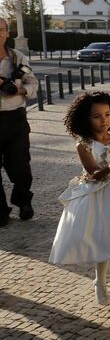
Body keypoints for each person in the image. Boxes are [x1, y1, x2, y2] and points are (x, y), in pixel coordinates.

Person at [50, 92, 110, 305]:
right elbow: (92, 172)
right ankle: (100, 281)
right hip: (97, 196)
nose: (104, 120)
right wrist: (109, 167)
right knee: (103, 240)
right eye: (97, 116)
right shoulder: (84, 145)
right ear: (85, 119)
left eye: (107, 115)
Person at [0, 18, 38, 227]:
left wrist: (20, 90)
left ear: (7, 33)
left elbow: (32, 83)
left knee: (20, 164)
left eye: (0, 30)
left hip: (15, 117)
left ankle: (23, 201)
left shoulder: (18, 57)